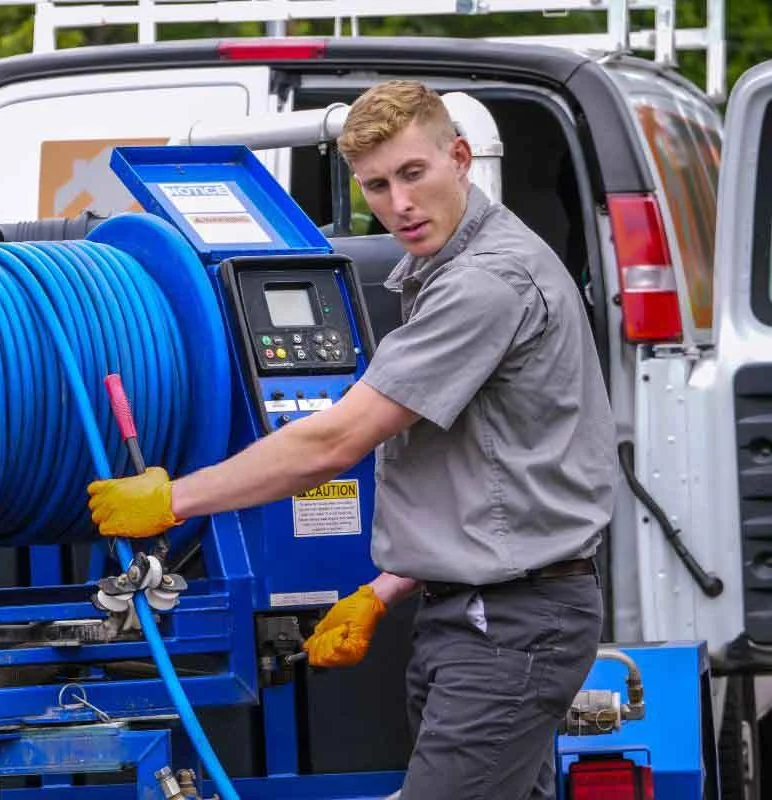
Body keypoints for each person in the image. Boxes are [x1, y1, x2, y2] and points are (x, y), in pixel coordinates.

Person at [86, 79, 617, 799]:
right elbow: (488, 470)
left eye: (413, 173)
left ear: (459, 157)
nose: (397, 204)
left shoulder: (485, 284)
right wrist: (384, 588)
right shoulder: (446, 271)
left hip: (511, 628)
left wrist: (173, 500)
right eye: (375, 185)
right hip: (473, 612)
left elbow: (333, 442)